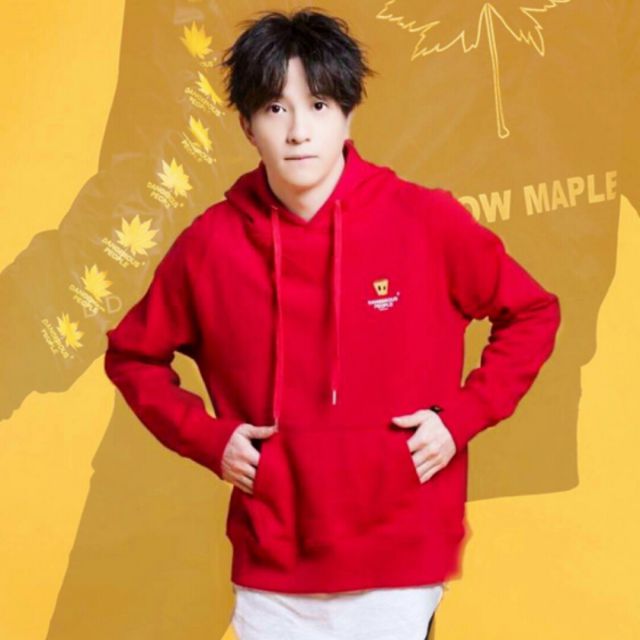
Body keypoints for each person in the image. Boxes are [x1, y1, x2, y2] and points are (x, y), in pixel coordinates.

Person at [103, 8, 561, 640]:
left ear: (347, 114)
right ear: (247, 125)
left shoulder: (424, 221)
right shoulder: (210, 246)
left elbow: (532, 311)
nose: (298, 132)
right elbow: (132, 355)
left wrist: (460, 419)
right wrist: (211, 440)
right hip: (272, 564)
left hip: (402, 557)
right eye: (275, 109)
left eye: (317, 106)